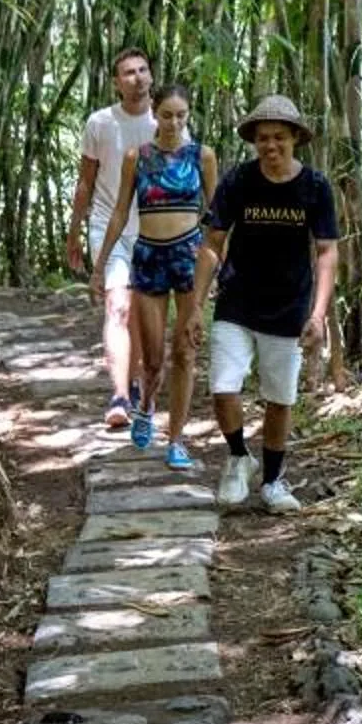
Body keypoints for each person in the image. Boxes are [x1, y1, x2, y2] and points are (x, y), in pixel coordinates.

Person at [200, 93, 340, 514]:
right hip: (238, 300)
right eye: (263, 138)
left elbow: (327, 251)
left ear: (295, 138)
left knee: (280, 398)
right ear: (254, 141)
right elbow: (213, 242)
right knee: (223, 386)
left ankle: (274, 481)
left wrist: (317, 314)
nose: (271, 145)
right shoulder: (239, 181)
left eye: (279, 137)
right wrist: (191, 307)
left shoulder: (314, 187)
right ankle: (239, 457)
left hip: (289, 307)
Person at [88, 83, 209, 469]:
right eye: (167, 114)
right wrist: (100, 263)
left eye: (181, 115)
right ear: (154, 114)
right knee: (154, 358)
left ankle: (176, 439)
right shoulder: (135, 157)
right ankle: (144, 406)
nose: (174, 122)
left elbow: (217, 215)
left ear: (188, 116)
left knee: (185, 351)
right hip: (148, 257)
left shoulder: (202, 156)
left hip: (188, 257)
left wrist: (218, 263)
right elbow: (121, 212)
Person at [66, 47, 154, 430]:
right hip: (107, 225)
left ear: (150, 75)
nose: (137, 77)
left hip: (152, 228)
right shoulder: (100, 123)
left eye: (142, 70)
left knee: (138, 312)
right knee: (117, 305)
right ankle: (119, 395)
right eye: (128, 73)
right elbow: (86, 182)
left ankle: (134, 383)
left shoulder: (166, 121)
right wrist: (74, 232)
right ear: (116, 83)